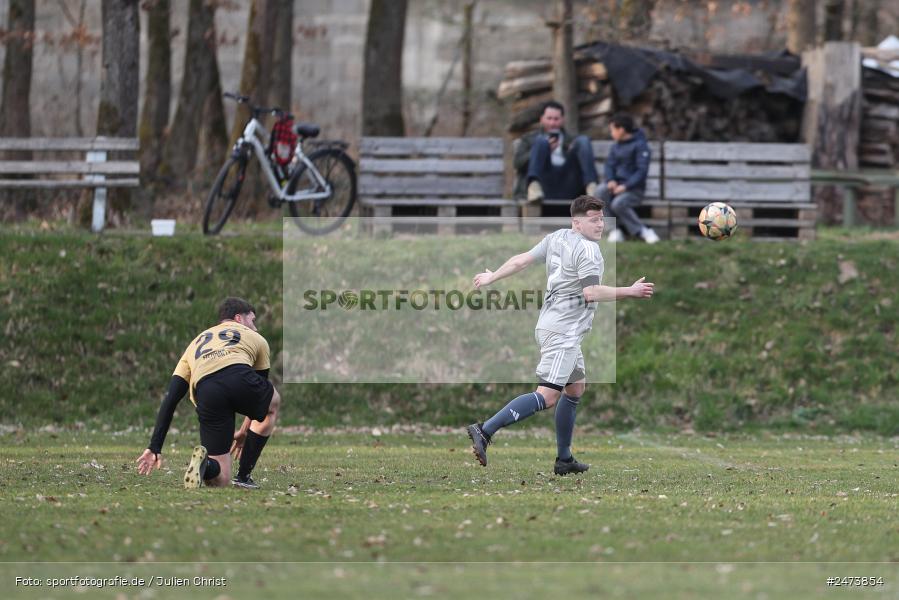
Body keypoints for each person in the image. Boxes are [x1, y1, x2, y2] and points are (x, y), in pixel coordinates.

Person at [467, 195, 654, 475]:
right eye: (593, 220)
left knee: (575, 389)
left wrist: (492, 277)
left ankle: (564, 460)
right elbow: (590, 293)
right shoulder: (589, 251)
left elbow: (522, 261)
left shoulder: (557, 238)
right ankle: (485, 430)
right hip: (562, 331)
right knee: (547, 396)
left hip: (555, 327)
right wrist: (630, 291)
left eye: (602, 218)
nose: (600, 224)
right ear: (576, 223)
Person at [135, 297, 281, 490]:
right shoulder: (255, 338)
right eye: (252, 320)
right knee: (273, 403)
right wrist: (245, 432)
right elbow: (259, 399)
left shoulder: (195, 344)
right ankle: (243, 477)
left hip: (207, 391)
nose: (255, 327)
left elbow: (171, 399)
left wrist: (154, 447)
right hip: (239, 375)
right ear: (239, 318)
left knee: (219, 479)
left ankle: (206, 464)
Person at [513, 100, 600, 203]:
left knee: (583, 140)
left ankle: (592, 189)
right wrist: (540, 151)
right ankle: (533, 187)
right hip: (543, 185)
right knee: (541, 141)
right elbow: (517, 163)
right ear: (541, 119)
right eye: (549, 118)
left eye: (556, 119)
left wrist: (573, 154)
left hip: (568, 184)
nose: (552, 123)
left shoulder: (572, 140)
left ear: (562, 120)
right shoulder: (529, 139)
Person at [599, 113, 660, 244]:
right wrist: (611, 180)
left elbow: (641, 172)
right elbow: (609, 165)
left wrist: (625, 186)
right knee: (599, 192)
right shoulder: (616, 146)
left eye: (612, 130)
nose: (611, 133)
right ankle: (614, 231)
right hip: (617, 185)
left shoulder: (641, 146)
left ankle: (644, 231)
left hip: (634, 189)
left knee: (618, 204)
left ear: (621, 130)